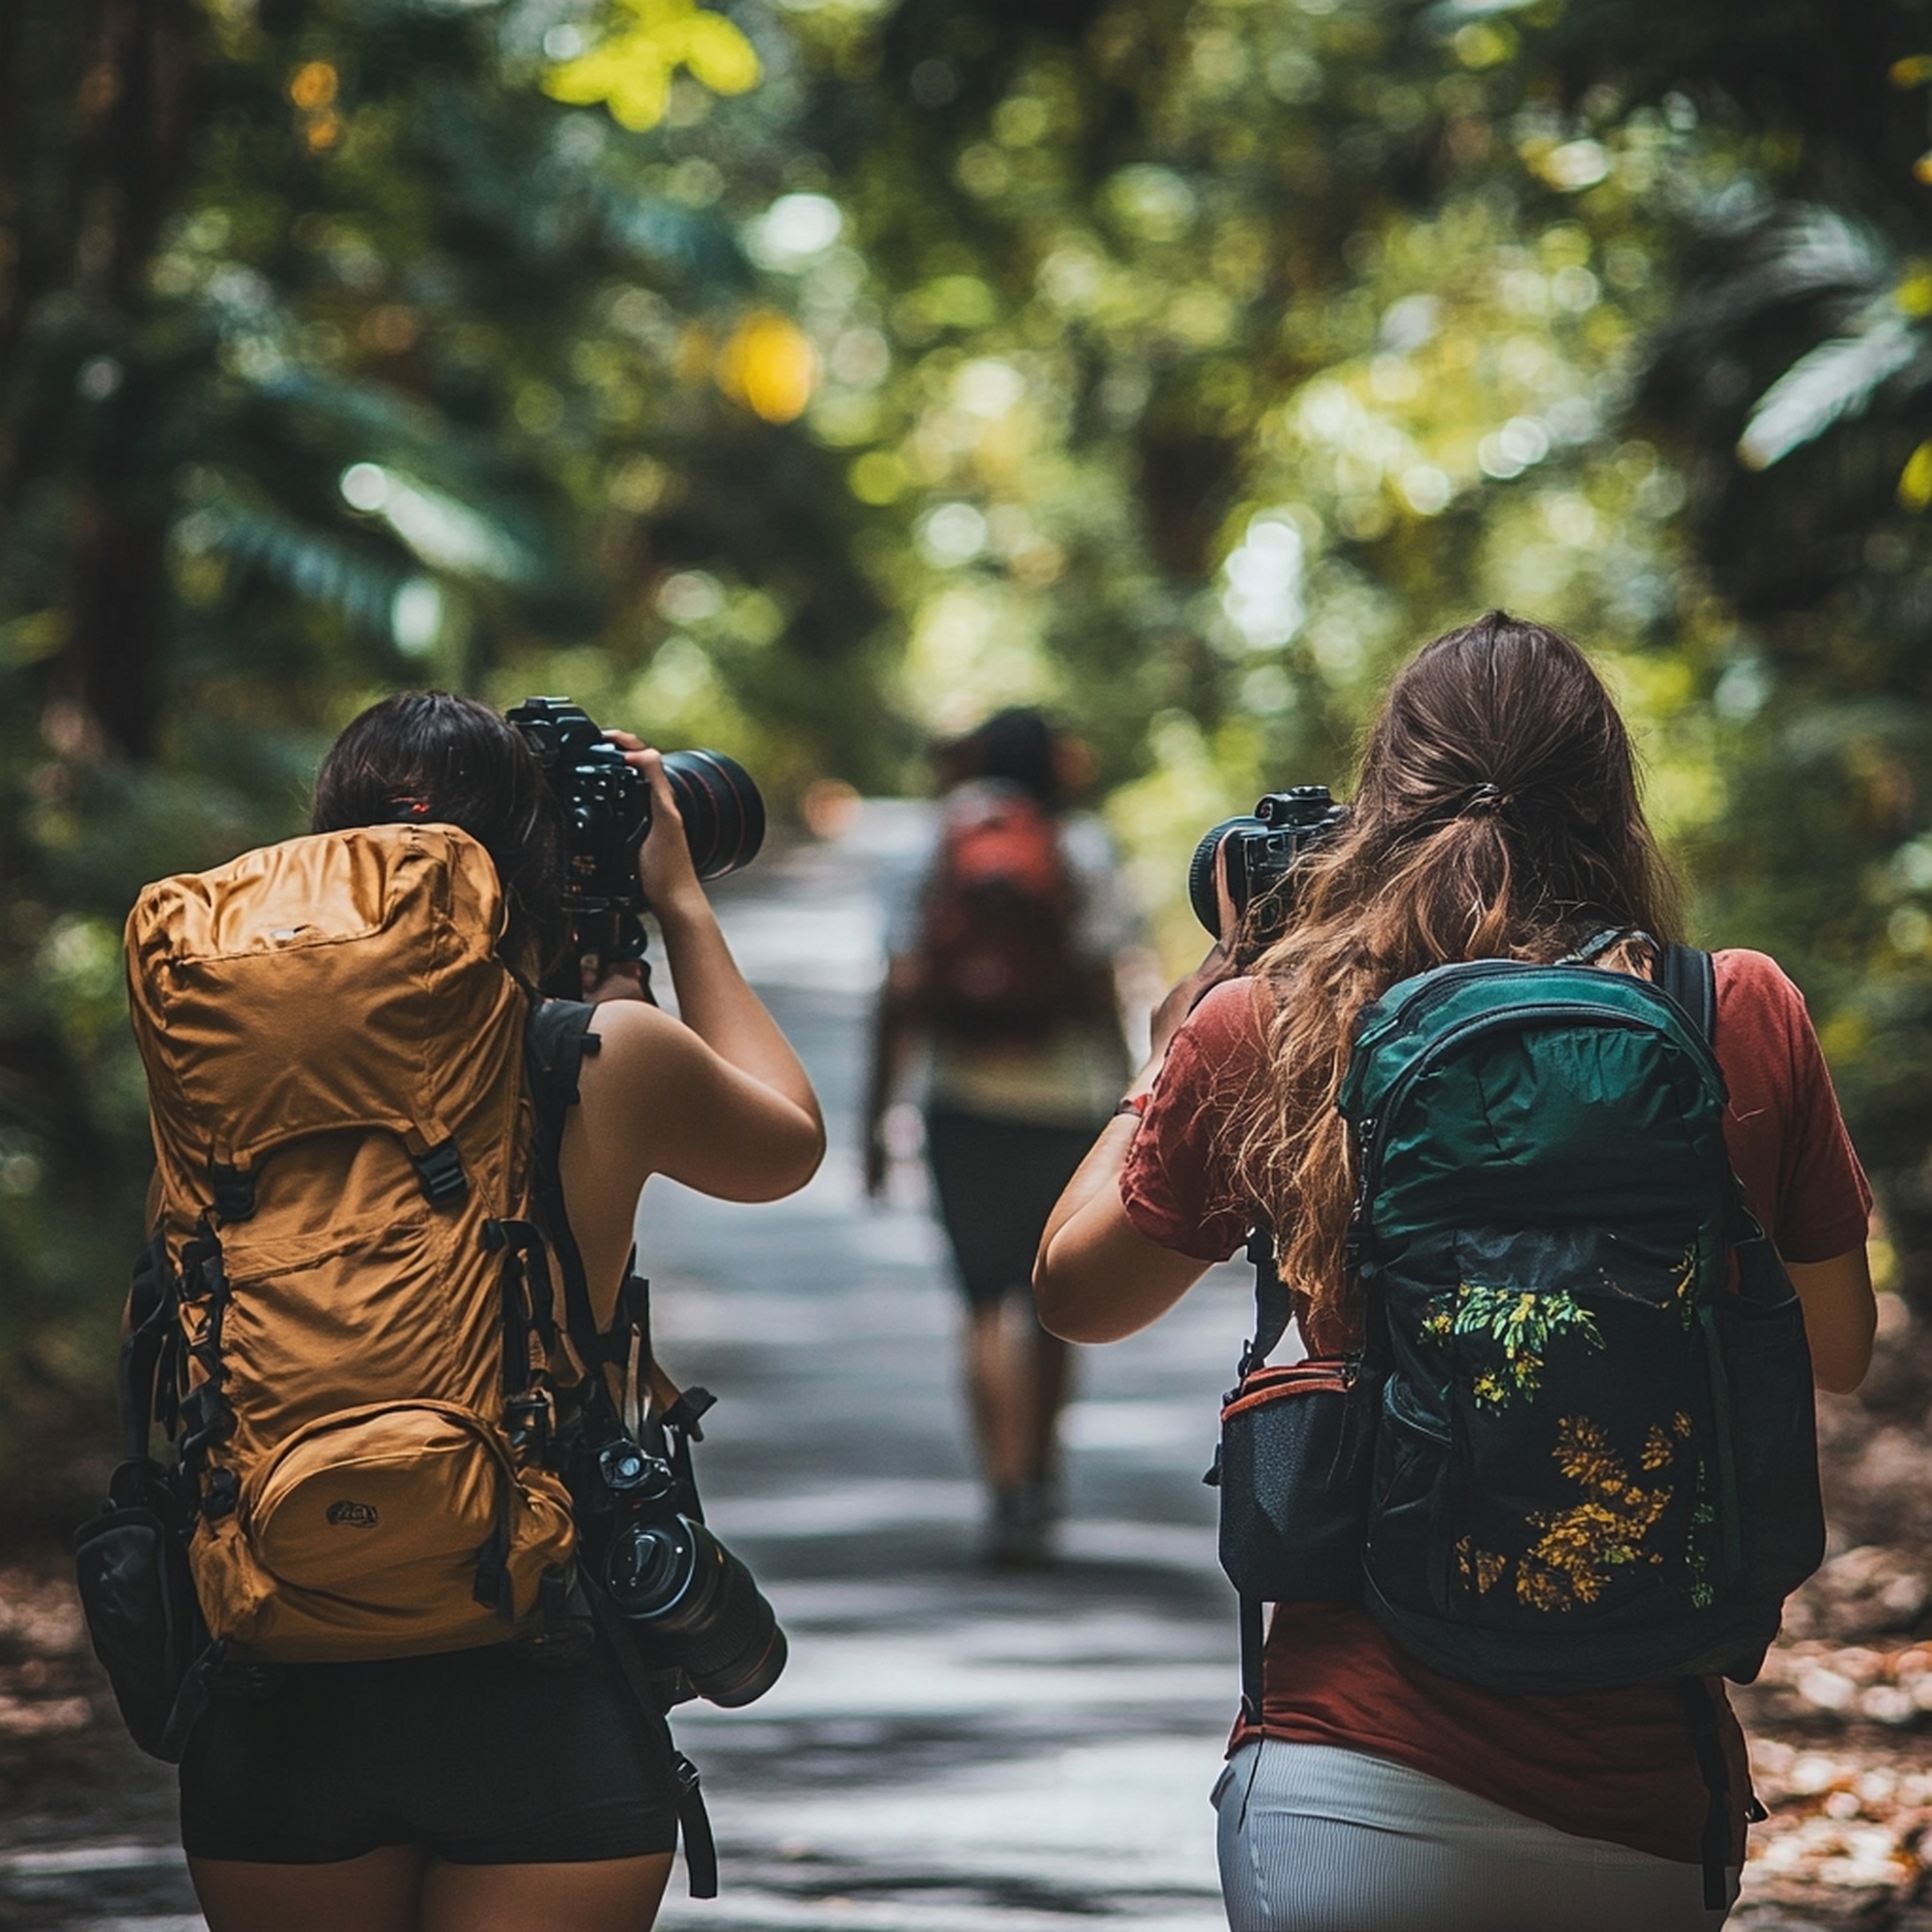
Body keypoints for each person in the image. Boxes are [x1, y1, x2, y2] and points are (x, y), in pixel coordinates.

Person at [1036, 613, 1876, 1932]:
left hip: (1346, 1777)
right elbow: (1837, 1349)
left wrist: (1177, 1044)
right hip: (1644, 1802)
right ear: (1612, 803)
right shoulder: (1736, 1011)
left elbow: (1076, 1298)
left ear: (1383, 801)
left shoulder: (1277, 1019)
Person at [175, 693, 825, 1932]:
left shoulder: (213, 1061)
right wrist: (677, 900)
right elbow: (785, 1138)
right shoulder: (602, 1052)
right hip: (534, 1665)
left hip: (273, 1666)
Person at [866, 707, 1144, 1565]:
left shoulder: (931, 847)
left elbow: (903, 987)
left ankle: (1002, 1483)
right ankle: (1043, 1480)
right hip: (1068, 1108)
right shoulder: (1082, 849)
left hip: (962, 1104)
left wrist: (877, 1115)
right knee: (1053, 1304)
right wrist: (1135, 1101)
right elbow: (1102, 982)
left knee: (982, 1300)